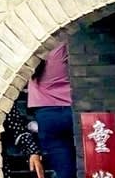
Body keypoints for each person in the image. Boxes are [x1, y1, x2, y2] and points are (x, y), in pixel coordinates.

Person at [28, 42, 75, 178]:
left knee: (64, 170)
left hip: (46, 116)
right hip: (72, 110)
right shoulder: (63, 45)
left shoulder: (31, 49)